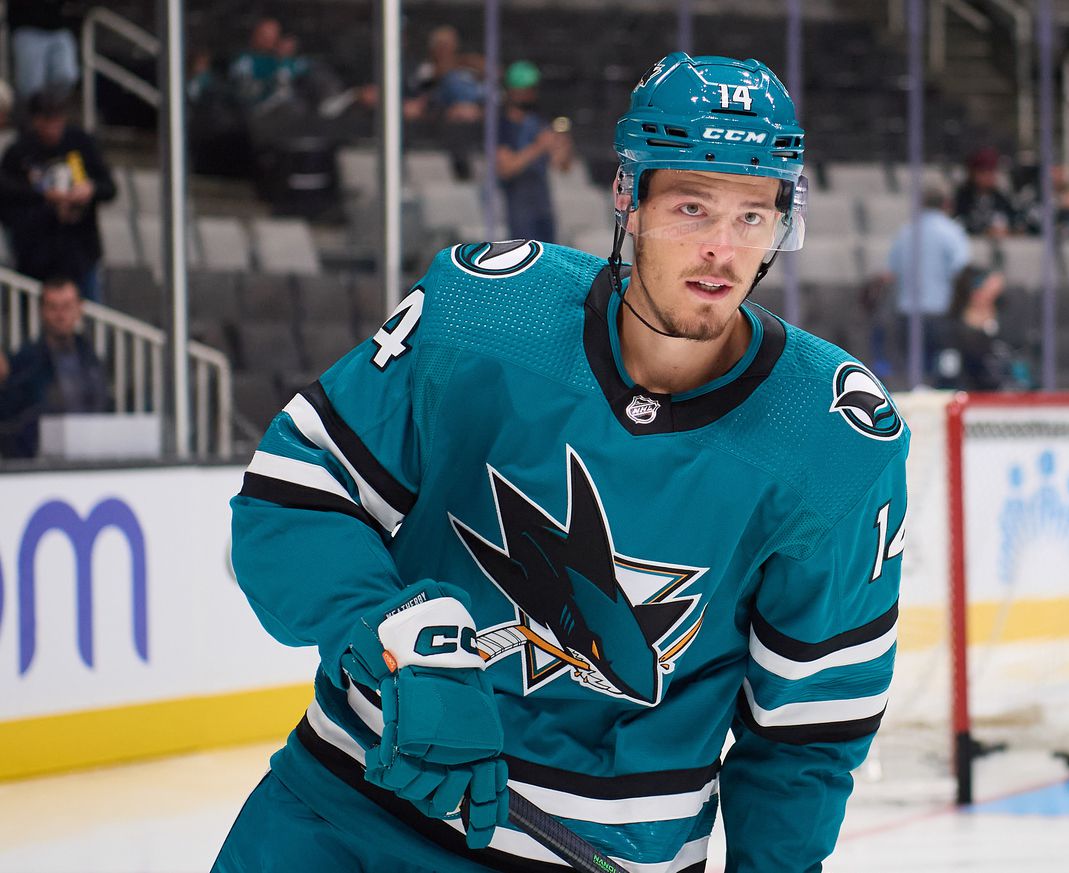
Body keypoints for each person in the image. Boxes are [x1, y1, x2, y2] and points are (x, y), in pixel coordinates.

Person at [213, 52, 908, 873]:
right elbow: (290, 502)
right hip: (350, 812)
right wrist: (389, 628)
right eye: (692, 206)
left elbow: (808, 733)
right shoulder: (482, 315)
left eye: (753, 216)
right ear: (629, 198)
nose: (723, 249)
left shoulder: (833, 439)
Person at [0, 88, 118, 302]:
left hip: (80, 251)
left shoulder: (80, 143)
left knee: (89, 312)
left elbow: (109, 188)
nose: (53, 128)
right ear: (36, 120)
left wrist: (89, 190)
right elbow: (7, 198)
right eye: (47, 120)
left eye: (57, 119)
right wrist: (45, 197)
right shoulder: (19, 152)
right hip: (36, 255)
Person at [0, 277, 110, 459]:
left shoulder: (91, 358)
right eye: (53, 307)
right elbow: (10, 419)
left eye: (66, 306)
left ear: (79, 309)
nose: (60, 315)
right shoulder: (26, 361)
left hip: (89, 455)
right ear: (42, 311)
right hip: (40, 462)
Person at [886, 183, 972, 377]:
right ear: (946, 204)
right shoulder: (952, 232)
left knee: (914, 372)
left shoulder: (905, 232)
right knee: (945, 371)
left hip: (907, 313)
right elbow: (963, 271)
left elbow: (892, 271)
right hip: (940, 314)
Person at [495, 60, 572, 244]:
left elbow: (563, 166)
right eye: (525, 90)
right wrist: (538, 147)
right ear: (513, 91)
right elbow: (505, 169)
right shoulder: (502, 125)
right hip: (517, 209)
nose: (530, 95)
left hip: (542, 206)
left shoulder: (539, 122)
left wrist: (564, 147)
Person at [934, 265, 1025, 391]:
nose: (987, 294)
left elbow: (1017, 355)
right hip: (969, 392)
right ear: (972, 292)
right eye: (982, 288)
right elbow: (949, 372)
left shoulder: (1006, 319)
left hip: (1005, 392)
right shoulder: (953, 328)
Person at [404, 25, 486, 124]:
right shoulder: (427, 68)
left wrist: (472, 62)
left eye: (449, 44)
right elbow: (423, 88)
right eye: (441, 45)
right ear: (433, 48)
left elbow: (493, 72)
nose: (445, 49)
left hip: (476, 109)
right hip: (442, 112)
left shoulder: (466, 62)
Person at [6, 0, 79, 99]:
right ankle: (35, 111)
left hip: (59, 27)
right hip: (27, 27)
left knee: (66, 77)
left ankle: (53, 109)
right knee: (32, 87)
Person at [953, 146, 1018, 237]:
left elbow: (1015, 222)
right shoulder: (963, 199)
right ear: (973, 173)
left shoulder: (1001, 199)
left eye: (991, 171)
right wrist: (985, 231)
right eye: (983, 172)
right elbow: (957, 225)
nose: (988, 176)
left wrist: (1009, 230)